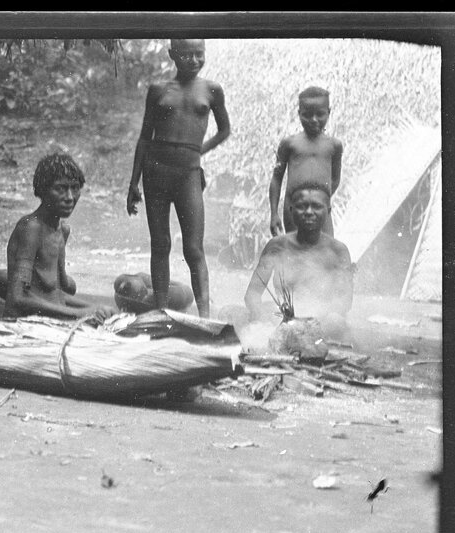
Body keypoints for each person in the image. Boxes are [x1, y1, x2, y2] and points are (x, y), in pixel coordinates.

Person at [126, 38, 231, 319]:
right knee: (160, 243)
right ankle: (160, 311)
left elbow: (224, 130)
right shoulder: (158, 90)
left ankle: (205, 316)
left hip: (188, 174)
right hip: (156, 172)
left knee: (194, 248)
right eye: (187, 55)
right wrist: (133, 183)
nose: (194, 60)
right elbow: (144, 138)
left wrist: (198, 153)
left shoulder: (211, 90)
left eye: (200, 54)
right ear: (173, 54)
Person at [0, 153, 118, 320]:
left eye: (75, 188)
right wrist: (79, 313)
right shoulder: (31, 228)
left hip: (50, 322)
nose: (69, 197)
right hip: (23, 325)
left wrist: (94, 307)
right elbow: (17, 298)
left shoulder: (62, 231)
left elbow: (56, 294)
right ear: (43, 190)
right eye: (60, 189)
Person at [244, 182, 353, 338]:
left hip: (322, 326)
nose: (309, 212)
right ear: (291, 210)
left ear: (328, 211)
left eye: (316, 206)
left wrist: (311, 322)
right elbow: (253, 293)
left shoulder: (338, 251)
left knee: (335, 321)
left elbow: (345, 301)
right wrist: (260, 316)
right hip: (282, 321)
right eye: (302, 206)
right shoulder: (277, 246)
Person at [269, 86, 343, 237]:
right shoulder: (289, 144)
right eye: (307, 115)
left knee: (326, 251)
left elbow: (335, 179)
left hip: (321, 209)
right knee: (296, 252)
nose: (314, 120)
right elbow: (276, 179)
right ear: (299, 114)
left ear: (328, 113)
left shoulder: (334, 146)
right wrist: (274, 213)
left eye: (320, 114)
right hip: (294, 208)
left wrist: (321, 198)